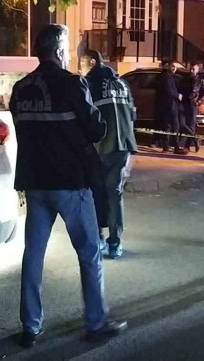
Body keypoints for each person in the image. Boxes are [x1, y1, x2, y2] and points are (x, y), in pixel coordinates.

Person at [9, 25, 127, 348]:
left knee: (33, 255)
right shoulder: (73, 84)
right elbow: (96, 129)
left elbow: (23, 133)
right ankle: (96, 323)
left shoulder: (20, 89)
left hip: (35, 184)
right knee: (89, 253)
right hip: (71, 183)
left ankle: (30, 326)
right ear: (60, 51)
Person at [86, 50, 138, 259]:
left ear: (91, 62)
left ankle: (98, 237)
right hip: (123, 146)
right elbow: (133, 115)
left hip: (99, 147)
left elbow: (86, 116)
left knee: (95, 193)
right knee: (115, 194)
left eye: (81, 62)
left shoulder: (89, 83)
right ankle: (115, 242)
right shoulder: (122, 84)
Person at [154, 61, 187, 154]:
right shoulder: (167, 77)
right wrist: (177, 95)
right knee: (174, 126)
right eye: (172, 66)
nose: (174, 68)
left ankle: (167, 147)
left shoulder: (169, 76)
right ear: (168, 66)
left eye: (175, 67)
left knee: (168, 126)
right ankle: (175, 147)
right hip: (170, 105)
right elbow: (169, 90)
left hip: (168, 105)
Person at [182, 63, 204, 153]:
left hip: (193, 105)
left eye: (193, 69)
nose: (191, 71)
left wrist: (198, 102)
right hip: (184, 104)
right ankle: (195, 138)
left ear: (197, 70)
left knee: (191, 125)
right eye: (190, 69)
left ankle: (187, 146)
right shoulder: (185, 79)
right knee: (183, 123)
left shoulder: (200, 80)